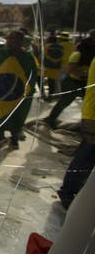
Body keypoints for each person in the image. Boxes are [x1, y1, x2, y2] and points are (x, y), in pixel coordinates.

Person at [0, 30, 38, 149]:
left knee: (15, 116)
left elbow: (32, 75)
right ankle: (1, 137)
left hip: (16, 94)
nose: (9, 41)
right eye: (9, 39)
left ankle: (14, 139)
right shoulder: (0, 55)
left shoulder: (27, 58)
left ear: (21, 41)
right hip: (2, 92)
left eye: (13, 39)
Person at [56, 56, 95, 209]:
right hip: (92, 117)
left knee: (87, 156)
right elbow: (72, 68)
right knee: (86, 156)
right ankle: (68, 192)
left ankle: (73, 191)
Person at [43, 31, 95, 129]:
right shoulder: (78, 53)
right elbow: (71, 69)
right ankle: (51, 119)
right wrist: (85, 76)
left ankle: (87, 125)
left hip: (86, 83)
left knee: (89, 105)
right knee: (65, 102)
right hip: (72, 83)